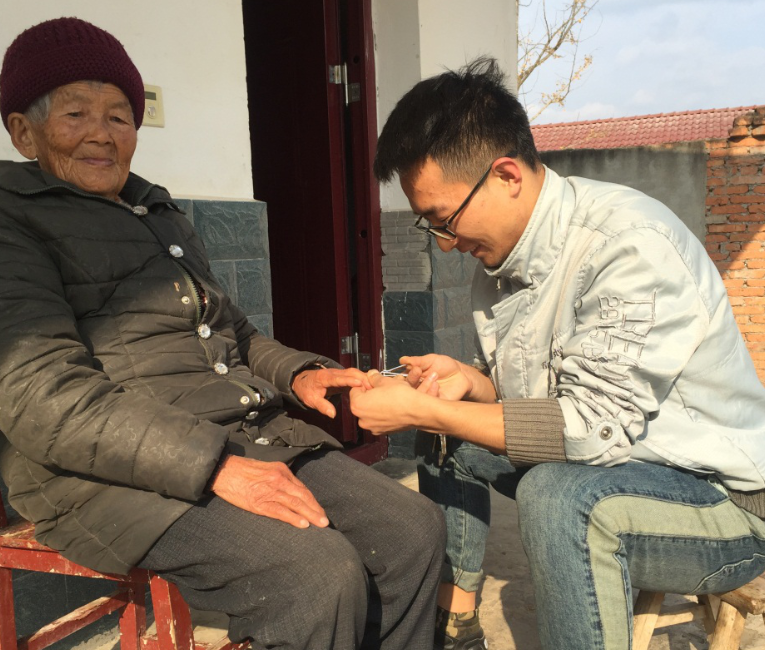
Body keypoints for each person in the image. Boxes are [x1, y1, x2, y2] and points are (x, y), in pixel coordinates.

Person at [0, 17, 446, 650]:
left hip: (238, 435)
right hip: (102, 475)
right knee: (315, 575)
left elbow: (233, 333)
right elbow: (43, 399)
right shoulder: (11, 222)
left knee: (413, 528)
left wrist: (298, 372)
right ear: (24, 132)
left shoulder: (156, 211)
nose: (101, 134)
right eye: (76, 114)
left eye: (119, 117)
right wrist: (213, 465)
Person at [349, 57, 765, 650]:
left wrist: (423, 410)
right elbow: (540, 399)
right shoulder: (500, 262)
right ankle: (456, 626)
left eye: (444, 221)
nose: (445, 244)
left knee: (557, 500)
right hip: (622, 464)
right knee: (448, 430)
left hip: (721, 502)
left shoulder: (628, 247)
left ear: (506, 175)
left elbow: (588, 428)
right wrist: (468, 383)